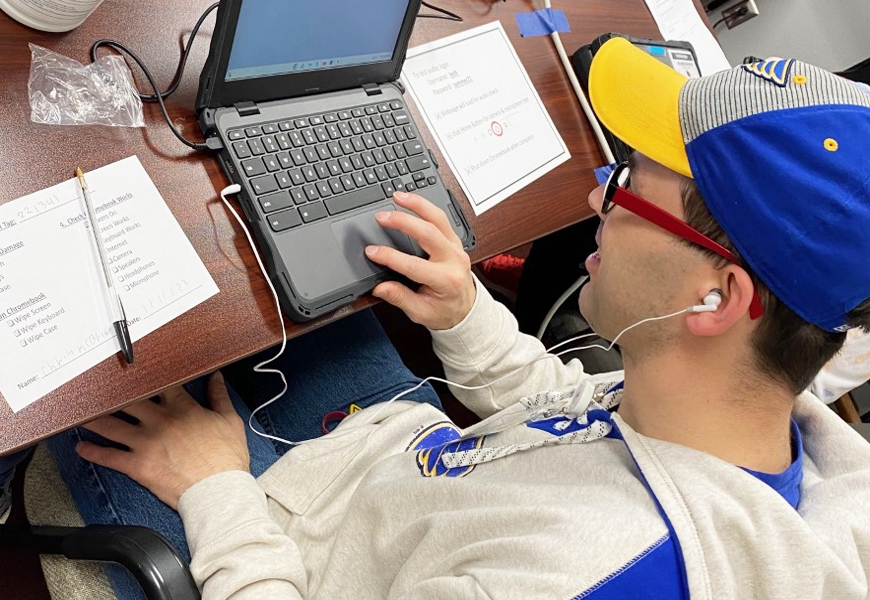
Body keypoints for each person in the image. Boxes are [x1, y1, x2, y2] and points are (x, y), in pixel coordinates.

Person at [23, 38, 870, 599]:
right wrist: (466, 313)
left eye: (625, 189)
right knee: (297, 284)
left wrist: (214, 491)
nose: (594, 198)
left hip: (280, 560)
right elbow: (576, 411)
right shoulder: (737, 413)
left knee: (65, 362)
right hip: (403, 469)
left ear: (719, 298)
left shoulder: (574, 574)